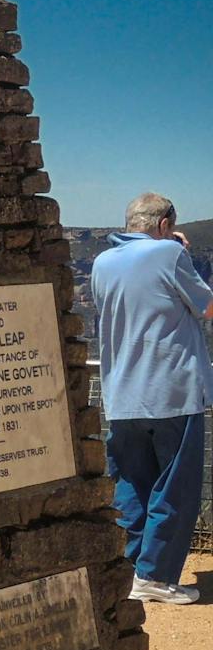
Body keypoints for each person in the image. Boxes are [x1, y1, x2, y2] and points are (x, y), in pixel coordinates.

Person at [91, 192, 213, 604]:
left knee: (131, 484)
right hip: (171, 392)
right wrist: (180, 251)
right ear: (164, 225)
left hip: (121, 395)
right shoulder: (168, 254)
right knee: (174, 487)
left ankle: (130, 568)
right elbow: (208, 306)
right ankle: (157, 575)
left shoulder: (101, 262)